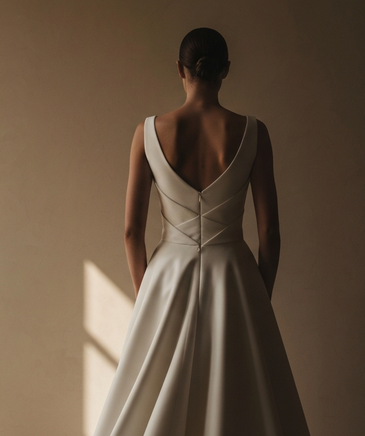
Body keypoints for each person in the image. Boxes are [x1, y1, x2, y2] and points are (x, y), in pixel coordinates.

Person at [92, 28, 311, 435]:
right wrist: (257, 294)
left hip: (166, 277)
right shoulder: (254, 133)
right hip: (235, 276)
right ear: (225, 70)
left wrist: (147, 294)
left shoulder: (147, 133)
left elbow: (130, 231)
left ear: (180, 69)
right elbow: (271, 231)